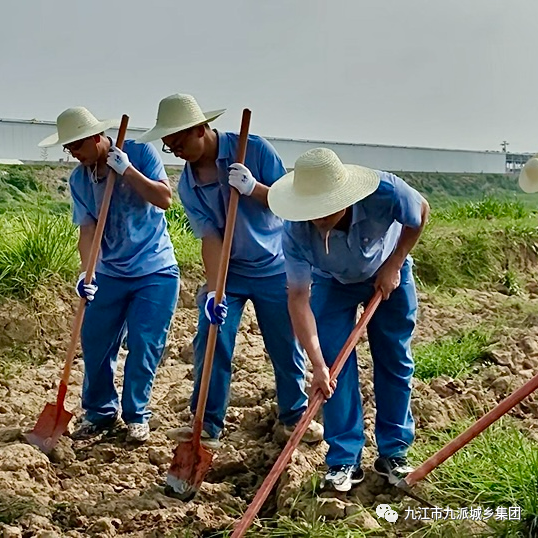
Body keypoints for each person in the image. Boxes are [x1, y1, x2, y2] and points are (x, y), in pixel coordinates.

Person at [137, 93, 323, 452]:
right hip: (230, 270)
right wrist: (215, 290)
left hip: (274, 265)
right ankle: (206, 425)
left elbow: (289, 203)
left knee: (284, 343)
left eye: (179, 142)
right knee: (211, 338)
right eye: (169, 147)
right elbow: (211, 237)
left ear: (200, 128)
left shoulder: (253, 150)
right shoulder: (188, 185)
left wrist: (253, 189)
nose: (176, 151)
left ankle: (294, 415)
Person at [267, 147, 429, 492]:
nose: (319, 218)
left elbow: (420, 214)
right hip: (332, 282)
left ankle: (394, 453)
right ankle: (344, 459)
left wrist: (396, 262)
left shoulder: (387, 192)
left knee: (394, 359)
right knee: (334, 368)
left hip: (388, 272)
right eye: (312, 211)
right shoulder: (295, 231)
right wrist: (317, 364)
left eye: (327, 208)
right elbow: (298, 297)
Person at [38, 106, 179, 443]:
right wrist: (88, 274)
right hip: (110, 273)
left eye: (77, 146)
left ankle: (136, 416)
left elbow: (164, 199)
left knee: (145, 343)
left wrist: (127, 171)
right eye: (68, 148)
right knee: (96, 342)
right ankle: (100, 412)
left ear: (97, 137)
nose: (73, 154)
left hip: (154, 269)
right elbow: (87, 232)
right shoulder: (79, 180)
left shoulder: (140, 153)